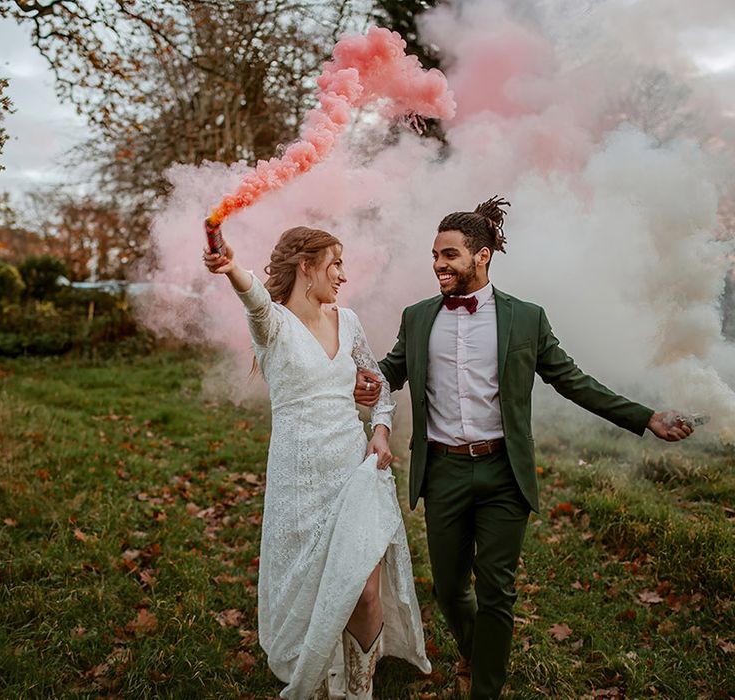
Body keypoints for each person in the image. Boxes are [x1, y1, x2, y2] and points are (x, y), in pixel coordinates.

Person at [353, 197, 692, 699]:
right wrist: (363, 384)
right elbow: (390, 373)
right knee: (449, 589)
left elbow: (573, 381)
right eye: (434, 255)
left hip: (503, 474)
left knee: (497, 592)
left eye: (449, 255)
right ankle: (476, 649)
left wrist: (645, 417)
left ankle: (485, 688)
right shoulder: (418, 317)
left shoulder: (527, 318)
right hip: (442, 470)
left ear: (482, 256)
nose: (438, 265)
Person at [203, 225, 430, 700]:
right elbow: (256, 301)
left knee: (364, 590)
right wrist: (231, 268)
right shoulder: (275, 326)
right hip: (299, 477)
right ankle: (320, 668)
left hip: (353, 468)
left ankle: (361, 688)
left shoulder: (348, 321)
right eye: (335, 263)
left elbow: (379, 384)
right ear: (306, 266)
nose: (343, 275)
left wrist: (380, 431)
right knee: (312, 585)